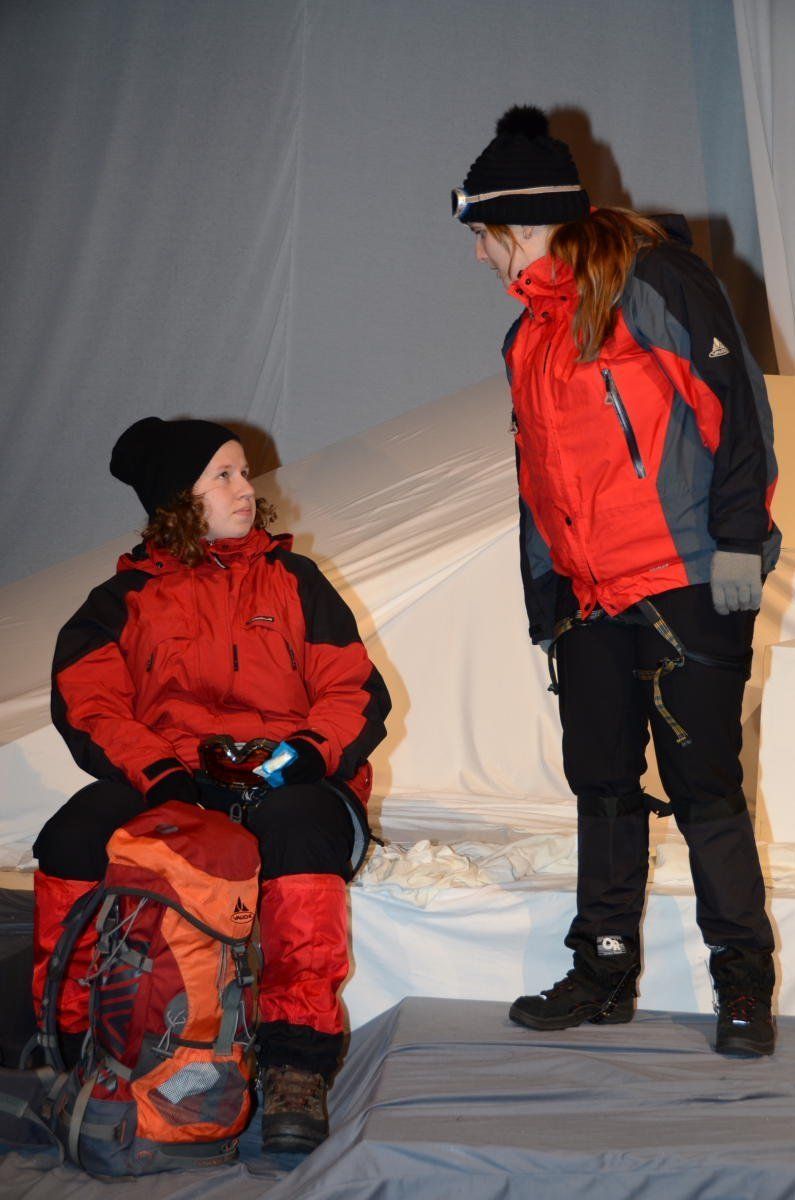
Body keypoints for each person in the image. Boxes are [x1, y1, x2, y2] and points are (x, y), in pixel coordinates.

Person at [452, 106, 780, 1056]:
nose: (477, 254)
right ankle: (601, 970)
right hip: (587, 598)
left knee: (704, 784)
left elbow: (736, 411)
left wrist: (737, 544)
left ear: (522, 225)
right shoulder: (525, 337)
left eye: (483, 234)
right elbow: (536, 482)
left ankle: (742, 981)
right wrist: (545, 597)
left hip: (684, 582)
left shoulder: (657, 281)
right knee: (600, 783)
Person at [33, 416, 391, 1151]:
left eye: (244, 474)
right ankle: (66, 1046)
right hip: (176, 776)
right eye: (222, 476)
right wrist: (162, 773)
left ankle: (296, 1061)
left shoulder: (294, 579)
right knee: (73, 836)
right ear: (178, 499)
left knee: (297, 829)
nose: (245, 489)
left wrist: (306, 753)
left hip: (291, 776)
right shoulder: (121, 600)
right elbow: (91, 705)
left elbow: (352, 689)